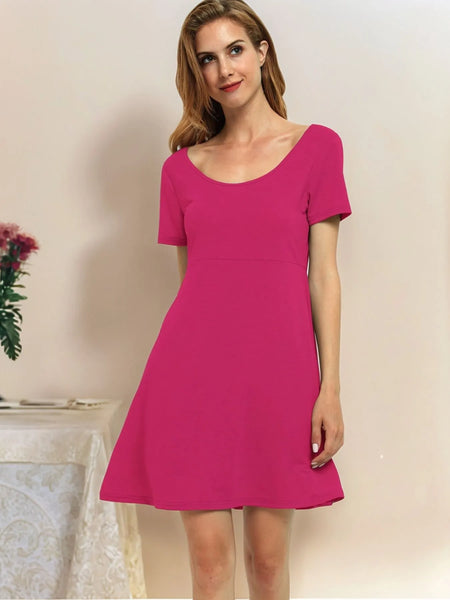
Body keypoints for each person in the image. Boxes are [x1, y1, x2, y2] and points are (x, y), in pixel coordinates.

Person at [99, 0, 352, 598]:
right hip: (192, 379)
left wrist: (329, 388)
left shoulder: (318, 147)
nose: (224, 69)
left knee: (267, 562)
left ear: (262, 52)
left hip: (280, 378)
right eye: (207, 59)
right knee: (209, 568)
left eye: (235, 50)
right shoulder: (180, 170)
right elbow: (193, 288)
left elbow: (324, 276)